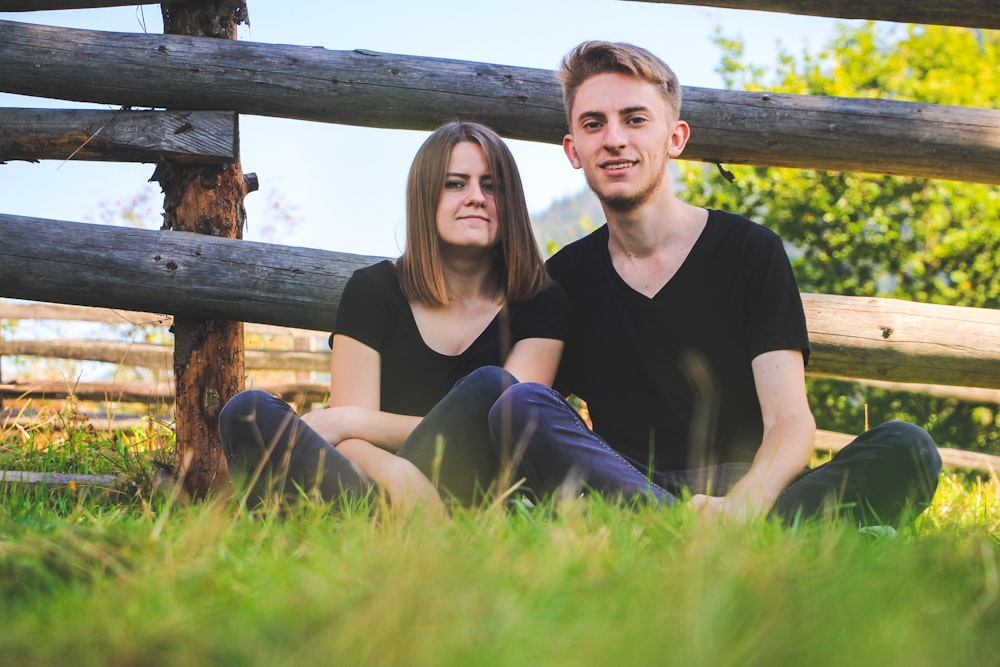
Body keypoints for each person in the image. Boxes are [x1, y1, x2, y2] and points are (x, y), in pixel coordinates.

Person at [488, 41, 942, 527]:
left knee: (907, 447)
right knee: (519, 403)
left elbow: (790, 421)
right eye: (593, 123)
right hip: (627, 485)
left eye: (636, 119)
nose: (614, 138)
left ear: (675, 138)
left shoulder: (750, 251)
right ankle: (716, 531)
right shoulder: (563, 279)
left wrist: (745, 503)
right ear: (573, 149)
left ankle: (696, 532)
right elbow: (529, 413)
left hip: (752, 488)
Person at [219, 121, 569, 512]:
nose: (476, 197)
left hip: (471, 496)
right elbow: (349, 445)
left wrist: (352, 420)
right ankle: (382, 528)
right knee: (248, 412)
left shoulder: (541, 301)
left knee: (496, 389)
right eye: (456, 183)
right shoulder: (374, 291)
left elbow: (513, 427)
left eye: (491, 185)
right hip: (365, 485)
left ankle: (368, 533)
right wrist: (401, 477)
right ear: (425, 196)